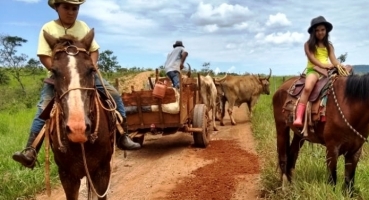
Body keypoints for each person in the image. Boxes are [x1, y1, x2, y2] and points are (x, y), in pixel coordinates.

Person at [12, 0, 140, 169]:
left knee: (114, 94)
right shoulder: (48, 28)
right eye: (66, 7)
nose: (71, 12)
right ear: (57, 7)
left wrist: (91, 66)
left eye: (75, 8)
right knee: (43, 107)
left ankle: (123, 135)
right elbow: (44, 56)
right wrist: (60, 71)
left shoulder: (83, 27)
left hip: (85, 76)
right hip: (59, 78)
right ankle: (31, 149)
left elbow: (94, 50)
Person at [293, 16, 342, 127]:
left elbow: (334, 60)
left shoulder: (329, 46)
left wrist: (340, 67)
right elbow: (313, 60)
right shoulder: (308, 45)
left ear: (326, 31)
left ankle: (327, 112)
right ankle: (299, 117)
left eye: (322, 30)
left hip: (328, 71)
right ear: (313, 32)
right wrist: (326, 65)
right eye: (317, 30)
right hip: (314, 70)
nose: (320, 32)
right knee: (308, 88)